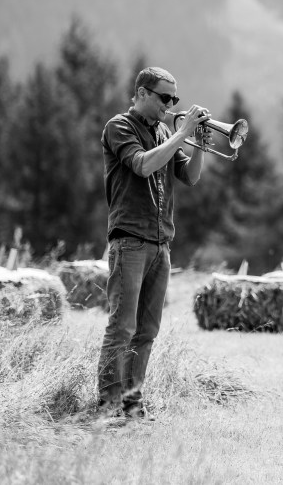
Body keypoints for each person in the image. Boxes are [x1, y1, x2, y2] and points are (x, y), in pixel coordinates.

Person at [96, 67, 210, 421]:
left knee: (146, 331)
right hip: (130, 240)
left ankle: (133, 403)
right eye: (164, 97)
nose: (170, 104)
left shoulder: (162, 131)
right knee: (122, 327)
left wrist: (200, 145)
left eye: (174, 99)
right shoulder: (119, 127)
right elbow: (143, 166)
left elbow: (189, 177)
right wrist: (183, 134)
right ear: (142, 93)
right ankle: (109, 404)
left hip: (161, 243)